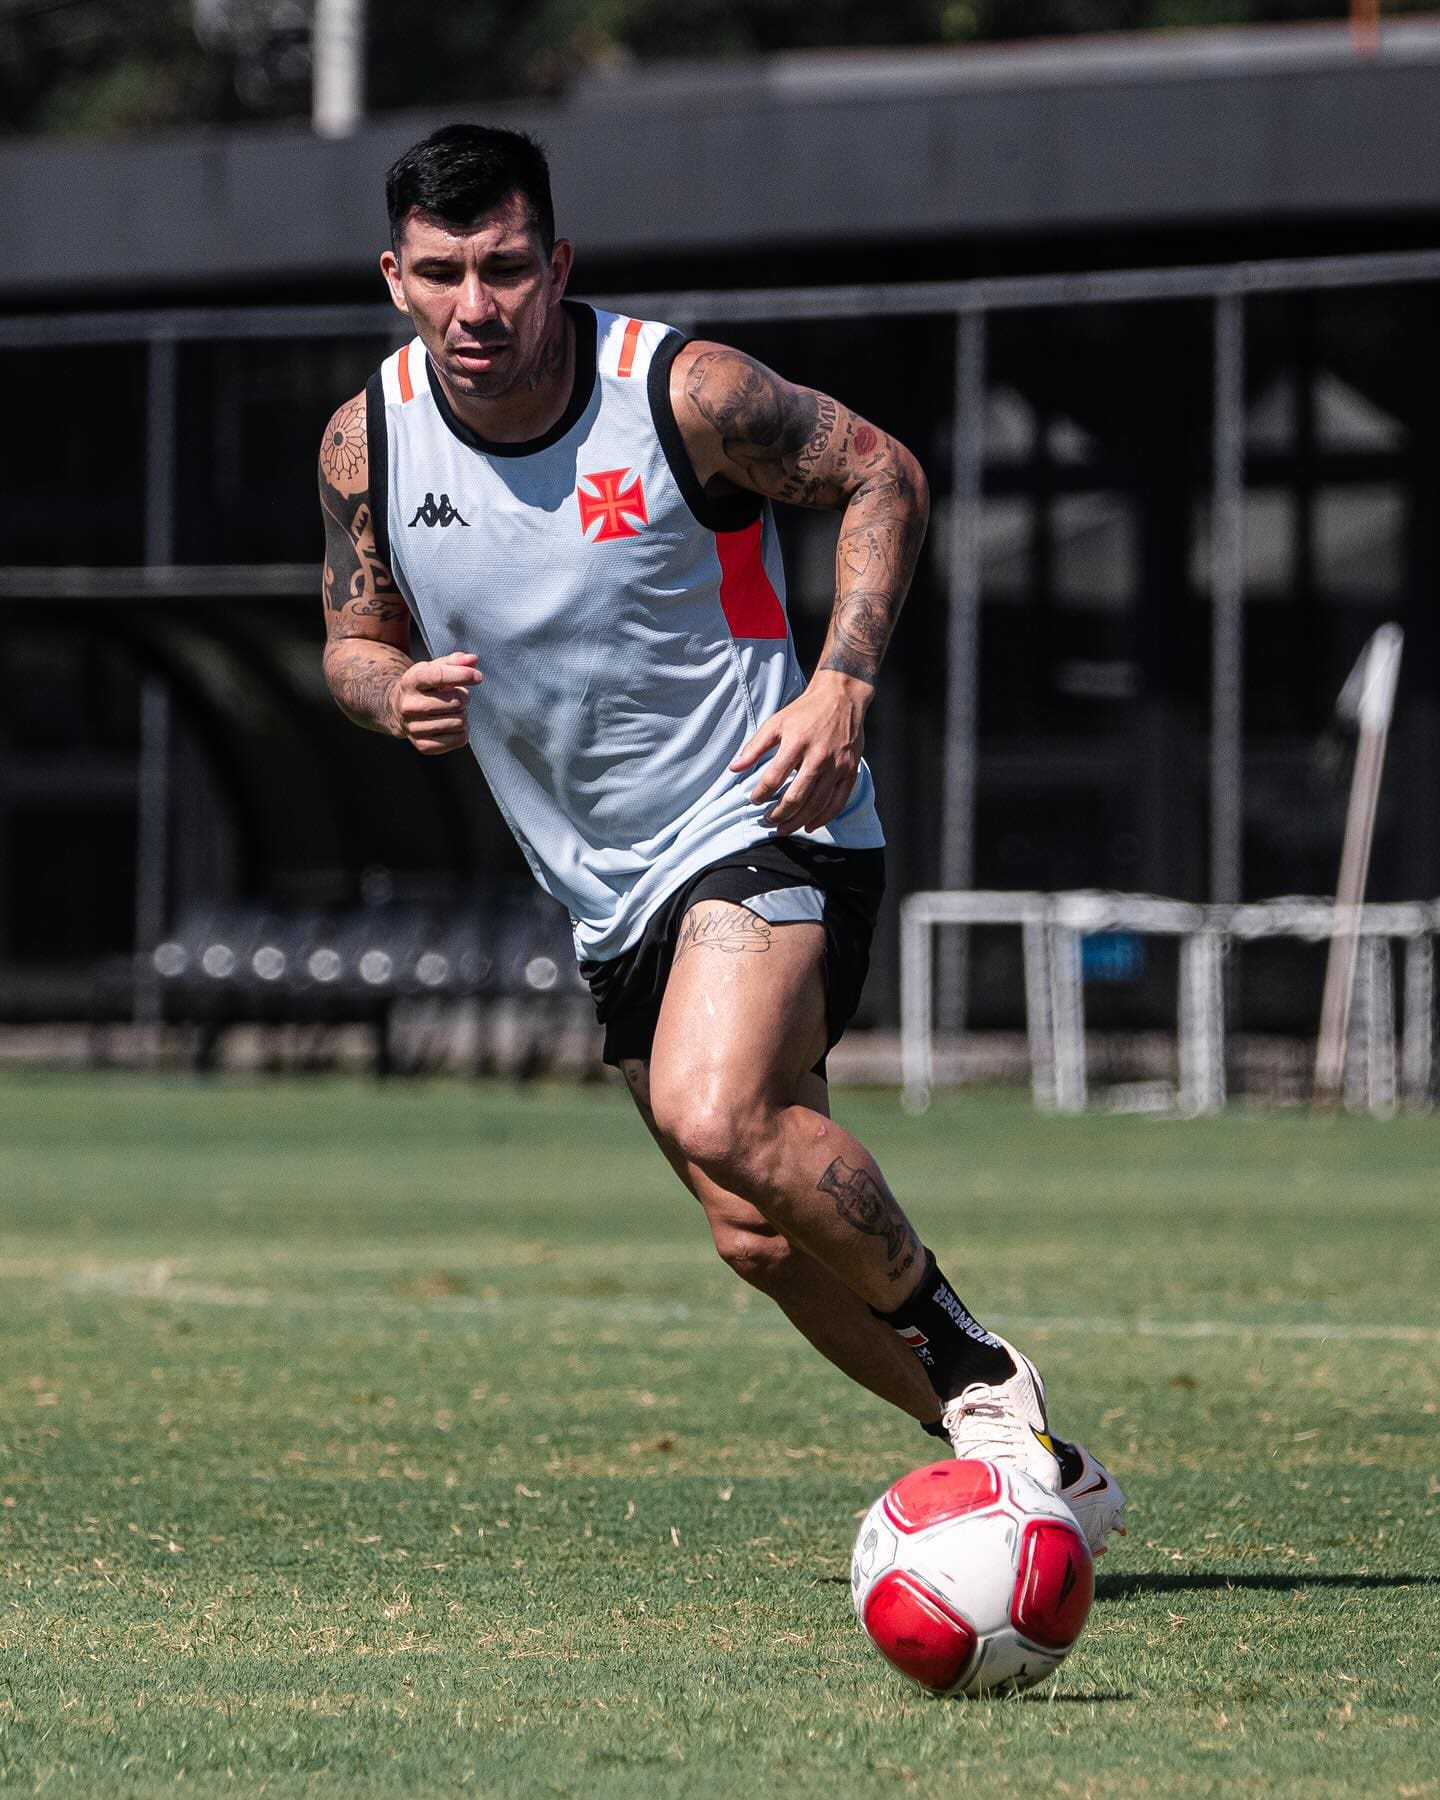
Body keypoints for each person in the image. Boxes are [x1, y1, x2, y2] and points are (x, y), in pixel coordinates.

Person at [317, 123, 1124, 1552]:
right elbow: (352, 636)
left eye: (506, 267)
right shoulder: (368, 439)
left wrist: (845, 682)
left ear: (557, 264)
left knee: (715, 1108)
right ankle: (1025, 1470)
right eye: (442, 273)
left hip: (763, 816)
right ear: (396, 278)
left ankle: (981, 1367)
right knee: (756, 1231)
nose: (477, 305)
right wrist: (392, 696)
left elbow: (884, 474)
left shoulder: (680, 392)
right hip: (606, 894)